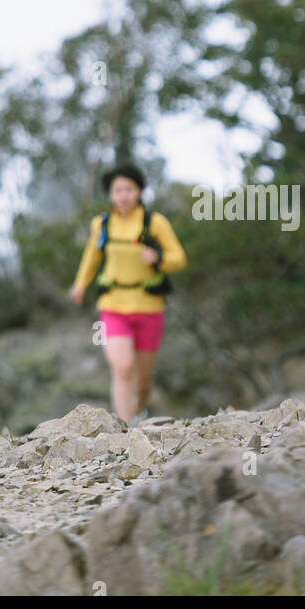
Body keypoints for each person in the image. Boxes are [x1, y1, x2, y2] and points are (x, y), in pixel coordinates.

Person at [69, 164, 186, 425]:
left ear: (140, 191)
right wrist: (79, 285)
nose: (123, 196)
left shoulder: (154, 222)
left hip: (149, 306)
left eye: (128, 189)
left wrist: (158, 258)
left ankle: (140, 409)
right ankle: (126, 430)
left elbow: (179, 259)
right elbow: (91, 256)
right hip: (113, 305)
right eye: (117, 190)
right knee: (122, 367)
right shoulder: (101, 224)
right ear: (110, 194)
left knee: (143, 379)